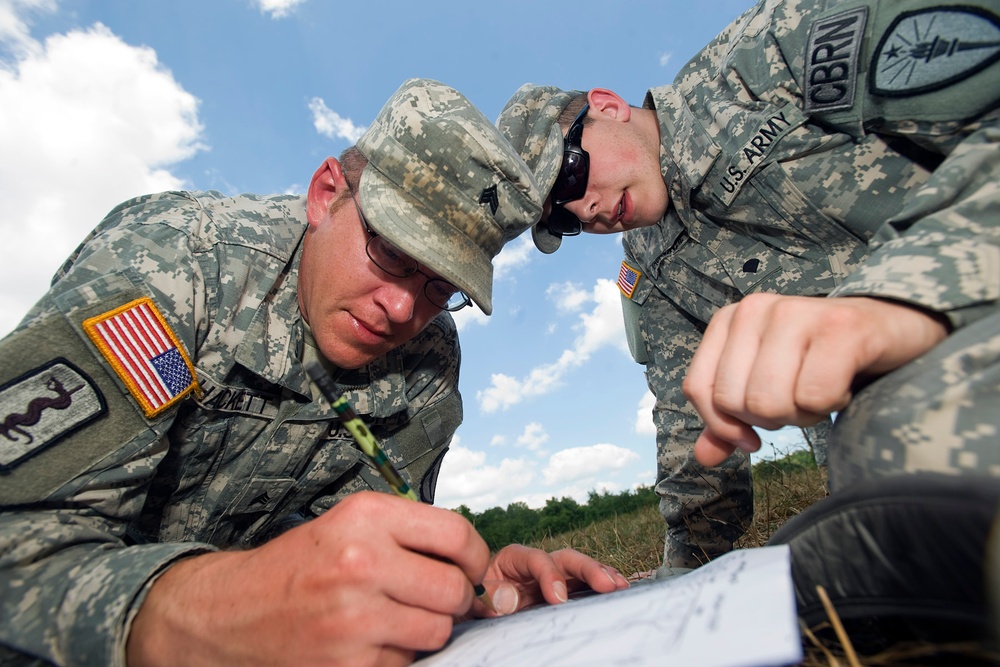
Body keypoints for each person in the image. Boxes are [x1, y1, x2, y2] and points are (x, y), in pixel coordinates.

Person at [0, 78, 630, 667]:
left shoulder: (427, 364)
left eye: (442, 286)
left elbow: (366, 554)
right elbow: (16, 538)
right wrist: (197, 614)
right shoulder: (177, 272)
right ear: (326, 193)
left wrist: (468, 592)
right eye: (391, 251)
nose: (404, 307)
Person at [497, 0, 1000, 571]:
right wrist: (690, 566)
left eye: (570, 173)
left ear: (608, 108)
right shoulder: (649, 263)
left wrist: (899, 302)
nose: (585, 208)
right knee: (868, 517)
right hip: (892, 399)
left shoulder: (776, 51)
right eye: (563, 219)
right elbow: (687, 411)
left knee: (906, 452)